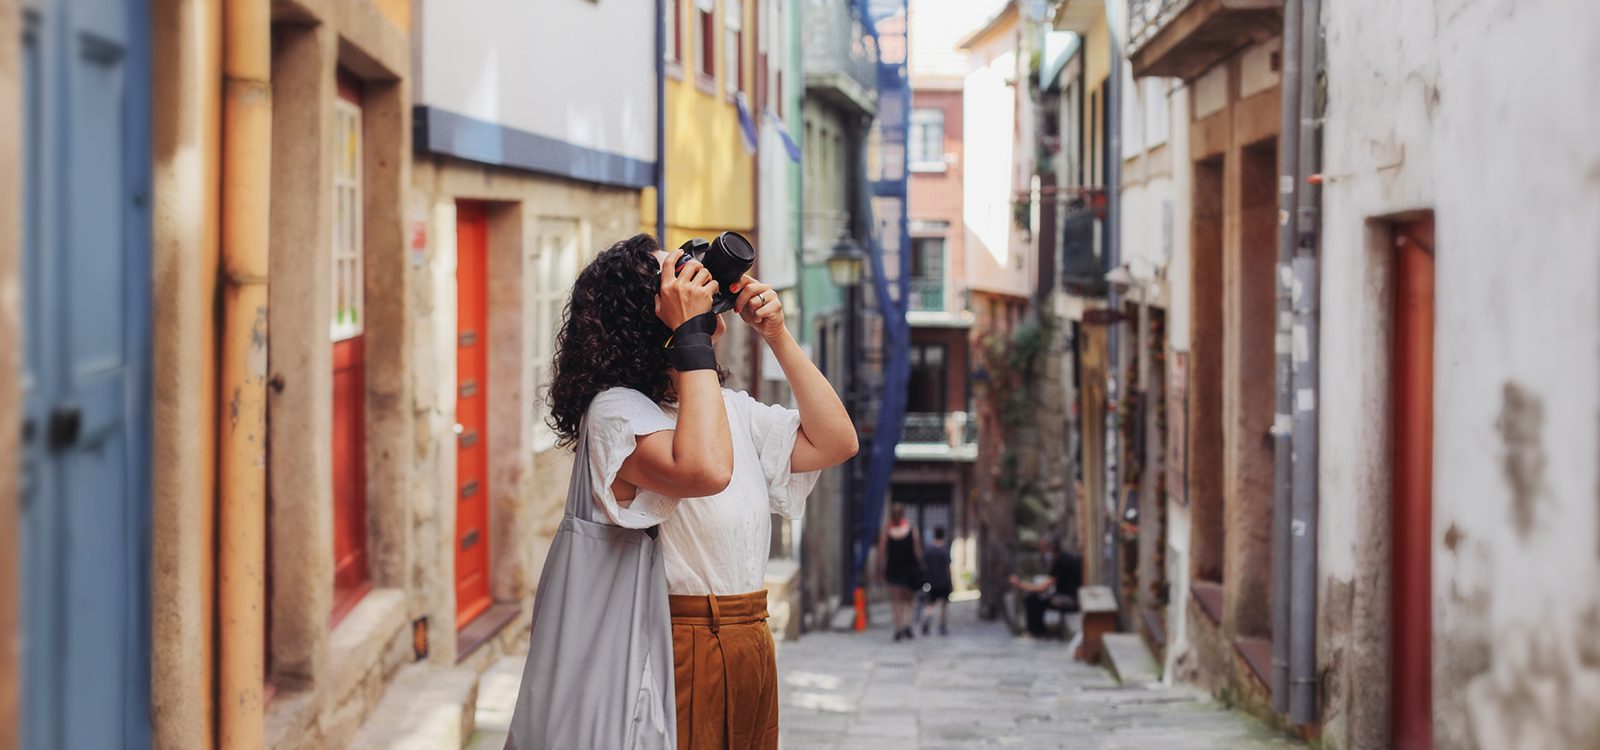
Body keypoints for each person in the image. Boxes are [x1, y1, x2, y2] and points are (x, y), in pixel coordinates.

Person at [547, 234, 857, 749]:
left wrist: (776, 334)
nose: (694, 281)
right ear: (643, 314)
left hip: (750, 638)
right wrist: (689, 334)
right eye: (674, 276)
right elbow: (705, 469)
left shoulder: (725, 410)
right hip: (676, 646)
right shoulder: (615, 415)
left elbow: (836, 441)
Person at [1008, 536, 1082, 638]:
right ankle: (1039, 630)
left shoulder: (1060, 561)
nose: (1040, 550)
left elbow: (1042, 587)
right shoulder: (1062, 558)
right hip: (1070, 596)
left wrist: (1019, 583)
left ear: (1049, 547)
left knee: (1032, 599)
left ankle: (1035, 632)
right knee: (1037, 599)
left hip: (1070, 599)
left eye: (1042, 547)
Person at [876, 503, 923, 641]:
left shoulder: (886, 531)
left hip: (894, 568)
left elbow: (881, 552)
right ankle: (907, 624)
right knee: (908, 600)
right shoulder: (911, 529)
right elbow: (917, 550)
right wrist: (921, 567)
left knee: (896, 601)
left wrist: (878, 570)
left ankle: (898, 628)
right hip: (909, 568)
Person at [919, 526, 954, 636]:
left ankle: (927, 620)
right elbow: (948, 567)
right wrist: (951, 581)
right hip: (944, 581)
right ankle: (942, 625)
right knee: (944, 604)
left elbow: (923, 565)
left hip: (932, 581)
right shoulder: (945, 549)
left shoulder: (929, 549)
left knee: (930, 603)